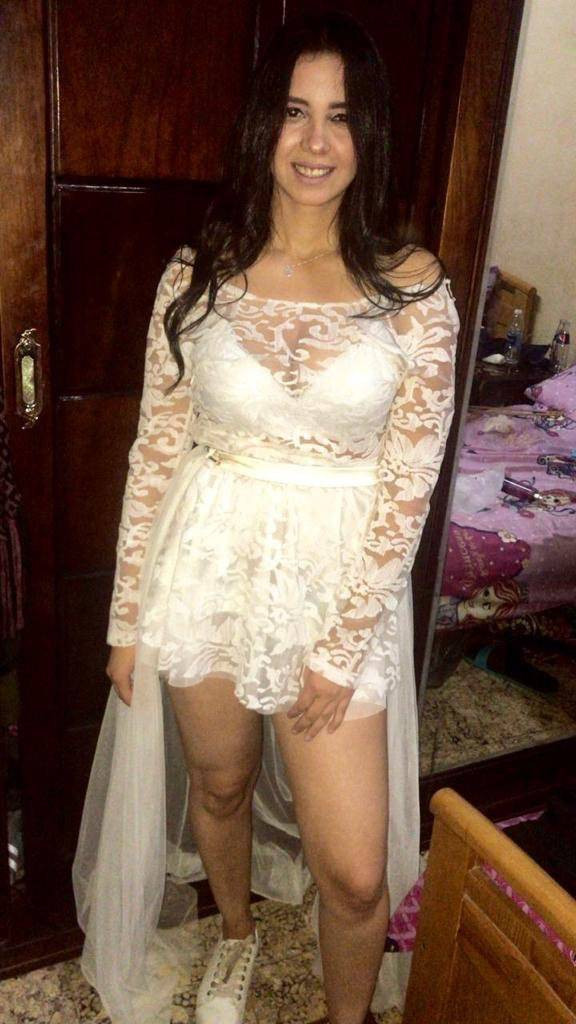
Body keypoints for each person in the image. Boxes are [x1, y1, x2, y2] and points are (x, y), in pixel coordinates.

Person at [72, 11, 459, 1024]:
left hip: (338, 591)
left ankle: (346, 1016)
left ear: (369, 136)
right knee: (220, 783)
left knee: (356, 872)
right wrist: (126, 619)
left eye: (341, 116)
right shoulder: (195, 276)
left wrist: (340, 645)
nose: (316, 140)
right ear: (263, 126)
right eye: (295, 111)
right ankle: (237, 935)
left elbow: (409, 483)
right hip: (204, 566)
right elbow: (154, 451)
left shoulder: (413, 290)